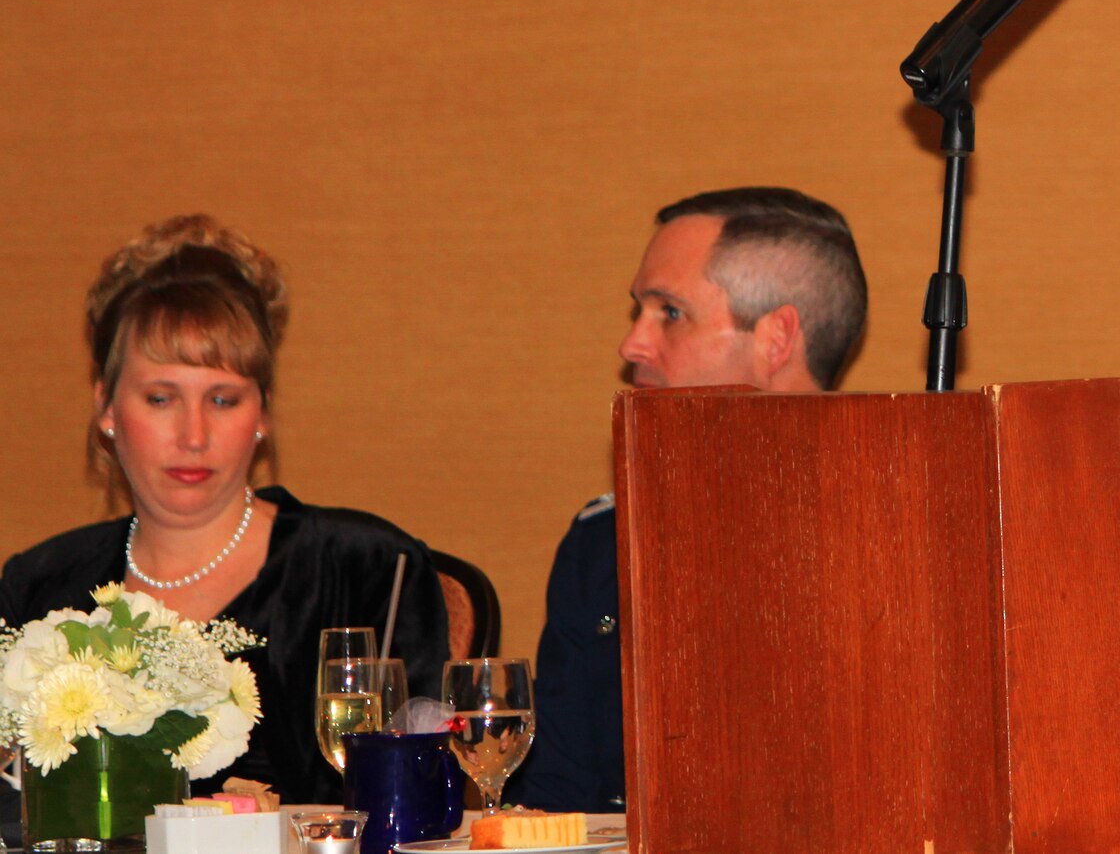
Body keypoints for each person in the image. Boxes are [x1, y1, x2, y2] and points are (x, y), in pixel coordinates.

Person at [0, 215, 450, 804]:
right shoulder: (38, 586)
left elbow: (409, 805)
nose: (194, 434)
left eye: (223, 400)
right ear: (106, 406)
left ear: (262, 414)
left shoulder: (367, 569)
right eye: (161, 398)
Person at [511, 186, 867, 811]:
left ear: (777, 338)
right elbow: (557, 796)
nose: (632, 346)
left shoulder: (887, 535)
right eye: (637, 312)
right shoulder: (604, 542)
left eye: (669, 313)